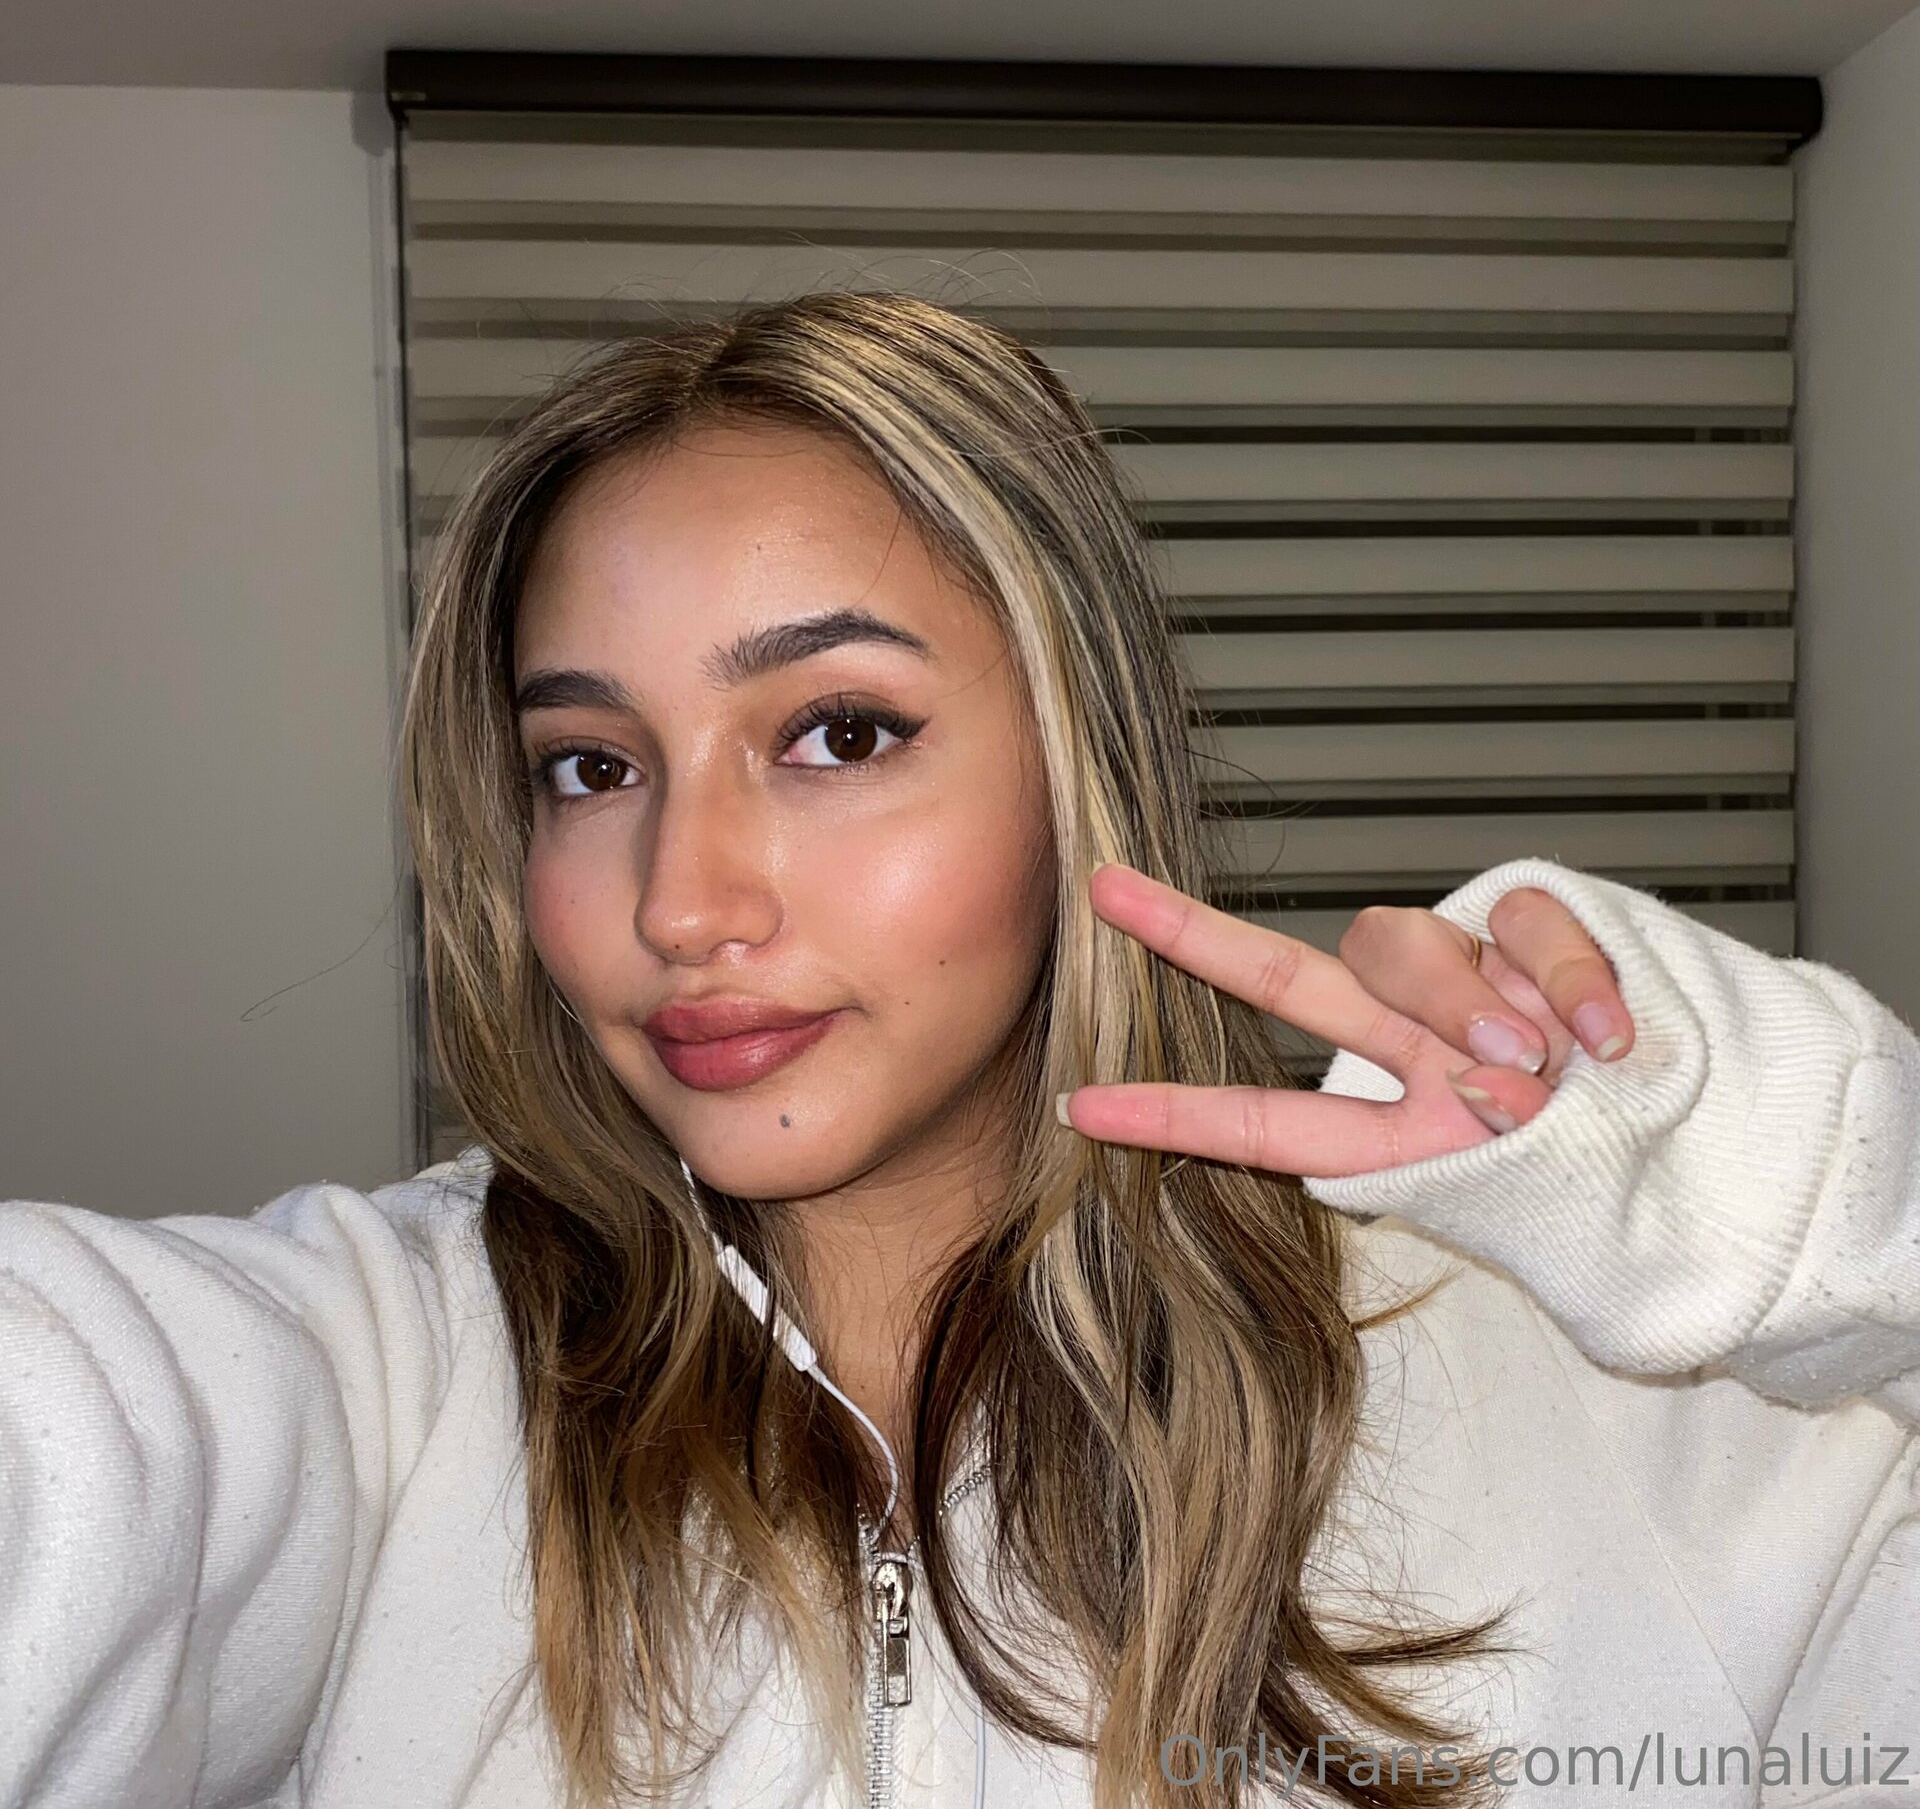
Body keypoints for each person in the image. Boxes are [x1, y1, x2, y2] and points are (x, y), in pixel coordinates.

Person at [1, 288, 1914, 1809]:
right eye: (590, 767)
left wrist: (1779, 1203)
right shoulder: (388, 1376)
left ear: (1079, 765)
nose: (683, 901)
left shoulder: (1597, 1385)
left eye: (837, 732)